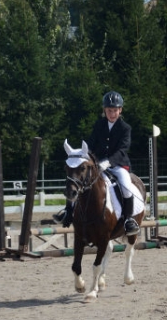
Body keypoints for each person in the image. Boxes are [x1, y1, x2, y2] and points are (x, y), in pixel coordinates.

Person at [54, 91, 140, 236]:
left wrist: (108, 162)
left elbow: (123, 150)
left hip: (118, 165)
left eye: (115, 110)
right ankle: (68, 211)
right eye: (109, 110)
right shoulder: (99, 125)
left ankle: (128, 220)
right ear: (104, 110)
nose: (112, 113)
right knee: (78, 180)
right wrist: (84, 156)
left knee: (126, 185)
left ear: (120, 110)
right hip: (97, 164)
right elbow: (91, 144)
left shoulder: (125, 128)